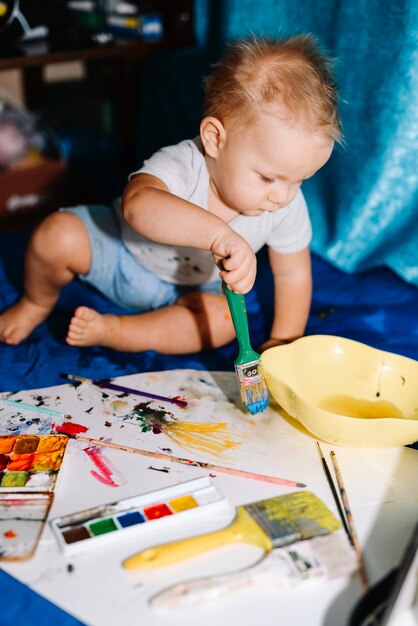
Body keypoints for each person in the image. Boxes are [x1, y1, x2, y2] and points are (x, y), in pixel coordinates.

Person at [0, 34, 341, 354]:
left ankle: (117, 331)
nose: (283, 196)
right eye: (268, 178)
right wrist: (219, 235)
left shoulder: (285, 202)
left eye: (300, 180)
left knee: (224, 323)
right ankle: (35, 303)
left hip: (198, 290)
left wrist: (284, 339)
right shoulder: (185, 163)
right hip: (124, 252)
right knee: (54, 235)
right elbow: (138, 206)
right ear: (214, 140)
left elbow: (293, 272)